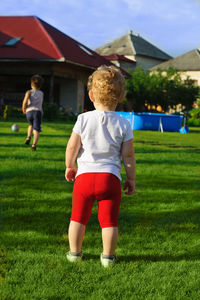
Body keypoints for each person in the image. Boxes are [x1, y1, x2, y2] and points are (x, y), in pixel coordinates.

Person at [65, 65, 136, 267]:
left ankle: (74, 253)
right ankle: (108, 257)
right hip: (110, 179)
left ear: (91, 95)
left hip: (84, 179)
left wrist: (70, 166)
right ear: (121, 97)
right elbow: (128, 156)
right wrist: (130, 178)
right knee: (109, 221)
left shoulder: (83, 119)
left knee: (77, 218)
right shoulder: (124, 124)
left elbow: (72, 147)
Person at [22, 75, 44, 151]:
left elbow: (25, 101)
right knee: (36, 129)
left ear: (31, 84)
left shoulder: (29, 92)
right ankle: (34, 145)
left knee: (30, 125)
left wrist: (24, 108)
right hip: (37, 112)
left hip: (29, 112)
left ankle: (28, 137)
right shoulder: (41, 93)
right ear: (40, 85)